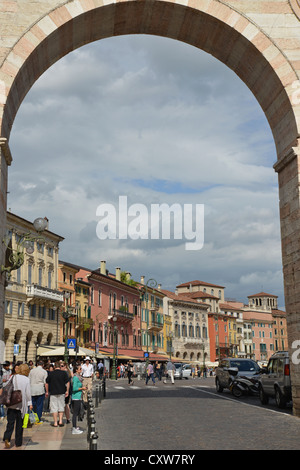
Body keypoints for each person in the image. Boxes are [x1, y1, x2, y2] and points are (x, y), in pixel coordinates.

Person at [3, 363, 33, 449]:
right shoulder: (26, 379)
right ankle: (18, 442)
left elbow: (6, 386)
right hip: (21, 405)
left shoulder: (13, 377)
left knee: (10, 423)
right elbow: (28, 393)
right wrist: (30, 403)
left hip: (12, 403)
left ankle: (7, 438)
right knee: (20, 424)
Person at [45, 360, 69, 427]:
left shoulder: (51, 373)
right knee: (61, 406)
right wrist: (67, 390)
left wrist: (47, 391)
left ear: (54, 366)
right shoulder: (64, 373)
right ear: (60, 366)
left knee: (54, 407)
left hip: (53, 392)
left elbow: (46, 383)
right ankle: (60, 421)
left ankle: (55, 422)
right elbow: (67, 382)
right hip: (62, 392)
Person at [71, 364, 87, 434]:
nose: (81, 370)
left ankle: (75, 426)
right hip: (76, 397)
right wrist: (82, 388)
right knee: (75, 413)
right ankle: (74, 429)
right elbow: (74, 388)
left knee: (76, 413)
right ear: (76, 370)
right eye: (80, 369)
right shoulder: (75, 378)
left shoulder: (78, 377)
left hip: (78, 397)